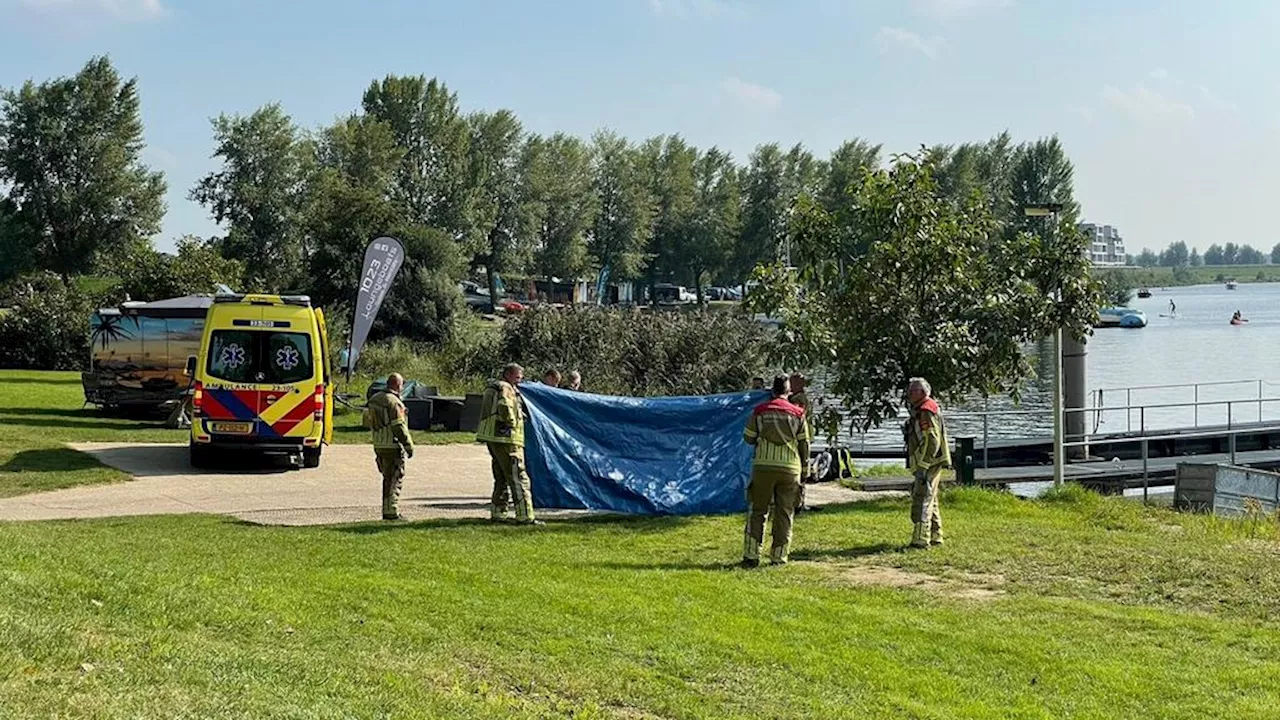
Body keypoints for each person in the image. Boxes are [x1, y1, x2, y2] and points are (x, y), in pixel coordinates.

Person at [741, 375, 811, 567]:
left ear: (772, 391)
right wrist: (805, 471)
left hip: (763, 466)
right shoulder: (798, 413)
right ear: (788, 392)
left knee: (758, 511)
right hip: (790, 468)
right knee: (785, 512)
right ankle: (779, 556)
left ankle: (751, 555)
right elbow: (805, 444)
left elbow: (748, 438)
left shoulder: (760, 411)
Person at [477, 363, 541, 525]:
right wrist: (512, 422)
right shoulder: (506, 388)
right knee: (518, 476)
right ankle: (525, 516)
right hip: (507, 439)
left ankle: (499, 512)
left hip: (492, 438)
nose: (520, 380)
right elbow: (505, 406)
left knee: (501, 477)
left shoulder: (493, 387)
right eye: (518, 377)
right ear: (508, 375)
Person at [903, 377, 950, 548]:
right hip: (930, 461)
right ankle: (936, 536)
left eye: (912, 390)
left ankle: (920, 539)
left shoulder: (925, 411)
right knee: (932, 499)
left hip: (929, 462)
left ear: (922, 392)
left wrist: (922, 466)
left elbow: (932, 440)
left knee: (922, 498)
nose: (908, 393)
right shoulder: (923, 409)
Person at [363, 372, 415, 520]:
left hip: (378, 444)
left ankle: (386, 510)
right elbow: (399, 427)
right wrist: (409, 445)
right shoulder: (394, 402)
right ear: (398, 385)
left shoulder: (374, 400)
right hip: (392, 445)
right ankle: (391, 512)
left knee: (386, 479)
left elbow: (367, 421)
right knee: (395, 479)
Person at [788, 372, 817, 513]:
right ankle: (798, 500)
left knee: (801, 468)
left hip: (801, 438)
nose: (790, 384)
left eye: (793, 382)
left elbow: (795, 415)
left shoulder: (798, 399)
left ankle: (799, 502)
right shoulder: (798, 397)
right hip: (803, 436)